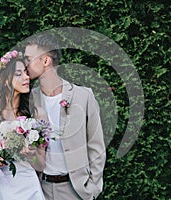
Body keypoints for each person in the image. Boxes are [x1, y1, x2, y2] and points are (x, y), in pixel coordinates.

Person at [24, 34, 106, 200]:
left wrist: (93, 188)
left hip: (75, 190)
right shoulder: (29, 100)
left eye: (28, 59)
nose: (24, 65)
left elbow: (96, 146)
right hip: (40, 189)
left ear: (46, 61)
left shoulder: (83, 96)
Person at [0, 49, 46, 200]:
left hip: (28, 189)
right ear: (4, 80)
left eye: (26, 73)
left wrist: (31, 155)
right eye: (19, 74)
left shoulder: (36, 115)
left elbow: (41, 165)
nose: (27, 77)